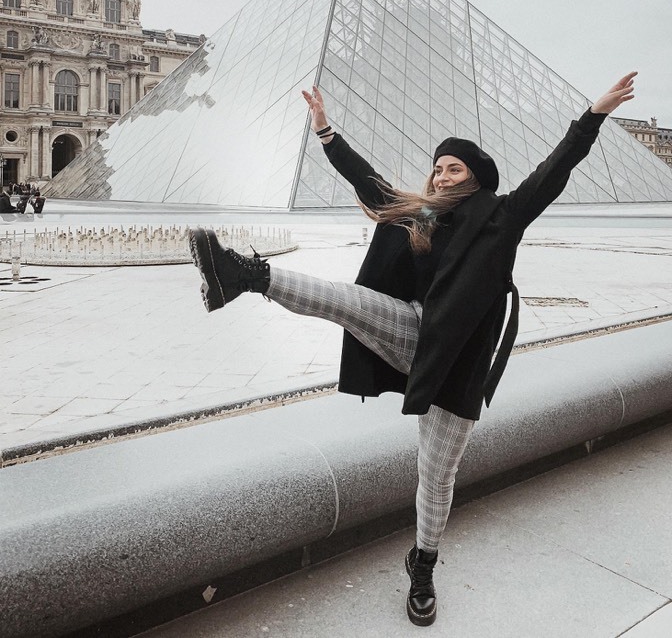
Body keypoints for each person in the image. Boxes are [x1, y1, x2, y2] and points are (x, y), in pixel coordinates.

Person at [188, 71, 636, 628]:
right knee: (349, 301)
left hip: (460, 363)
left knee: (437, 474)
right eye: (439, 166)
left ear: (475, 178)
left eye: (455, 168)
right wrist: (327, 132)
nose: (442, 174)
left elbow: (556, 167)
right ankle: (243, 274)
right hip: (411, 330)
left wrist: (594, 115)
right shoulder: (422, 214)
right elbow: (369, 184)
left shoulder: (503, 217)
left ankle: (422, 564)